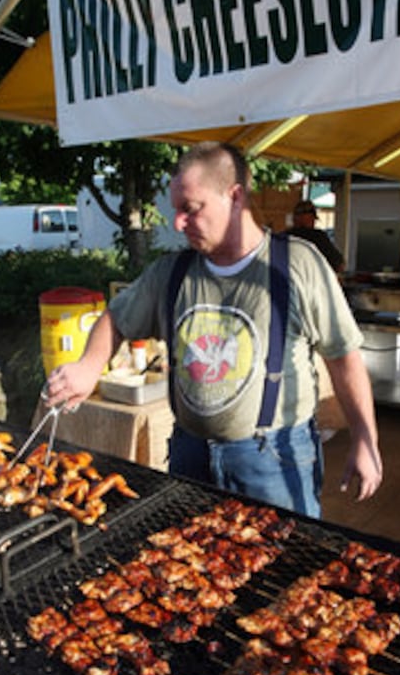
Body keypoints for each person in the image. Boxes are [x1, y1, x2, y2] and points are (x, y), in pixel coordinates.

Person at [45, 142, 382, 518]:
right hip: (190, 454)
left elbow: (344, 359)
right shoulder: (170, 272)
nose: (177, 223)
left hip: (273, 459)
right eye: (176, 210)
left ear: (234, 197)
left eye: (190, 209)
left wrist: (365, 438)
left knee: (281, 565)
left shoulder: (298, 265)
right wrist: (89, 366)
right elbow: (116, 319)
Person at [288, 201, 344, 273]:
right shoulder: (318, 237)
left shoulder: (284, 237)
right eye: (313, 218)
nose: (314, 222)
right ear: (308, 217)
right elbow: (338, 264)